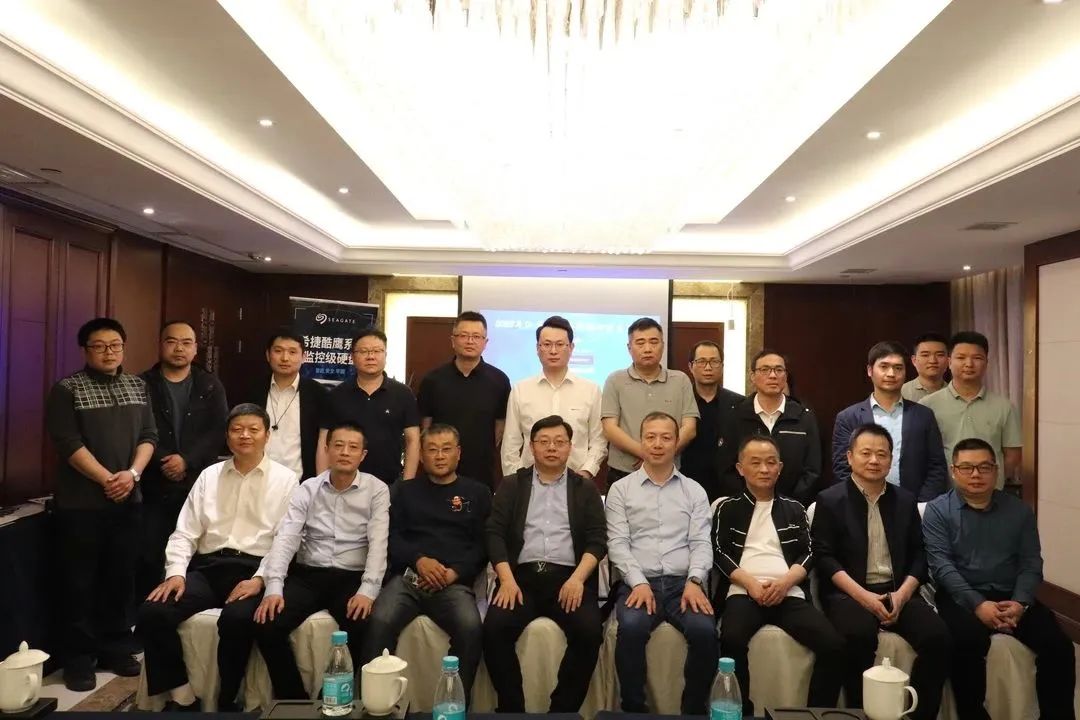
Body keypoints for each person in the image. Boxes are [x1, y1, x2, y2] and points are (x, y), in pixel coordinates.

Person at [137, 404, 297, 711]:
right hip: (209, 568)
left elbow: (285, 541)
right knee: (152, 611)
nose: (245, 435)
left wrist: (260, 579)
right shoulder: (209, 476)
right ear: (227, 436)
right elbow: (185, 532)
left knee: (236, 620)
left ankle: (226, 701)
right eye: (237, 430)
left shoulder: (286, 480)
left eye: (253, 429)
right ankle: (182, 695)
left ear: (267, 436)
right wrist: (176, 573)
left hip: (253, 569)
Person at [923, 438, 1075, 720]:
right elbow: (942, 567)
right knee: (967, 642)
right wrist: (978, 605)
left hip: (1010, 594)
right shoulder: (938, 510)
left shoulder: (1019, 511)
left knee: (1059, 648)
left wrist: (1020, 603)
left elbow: (1031, 563)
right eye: (967, 468)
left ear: (996, 470)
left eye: (984, 467)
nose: (976, 474)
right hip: (961, 596)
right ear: (953, 471)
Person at [45, 317, 157, 691]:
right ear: (85, 350)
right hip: (81, 506)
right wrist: (108, 479)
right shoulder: (67, 389)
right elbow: (68, 443)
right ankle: (78, 659)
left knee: (120, 579)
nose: (109, 352)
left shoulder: (137, 385)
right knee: (78, 584)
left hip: (128, 500)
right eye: (99, 346)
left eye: (115, 345)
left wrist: (132, 475)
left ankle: (115, 647)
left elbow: (149, 436)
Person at [813, 424, 949, 720]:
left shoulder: (905, 500)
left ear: (891, 459)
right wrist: (864, 598)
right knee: (858, 635)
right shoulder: (830, 500)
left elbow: (919, 554)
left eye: (882, 454)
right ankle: (859, 714)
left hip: (897, 590)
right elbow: (825, 559)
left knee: (938, 637)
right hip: (849, 593)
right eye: (866, 453)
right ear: (850, 457)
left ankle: (917, 714)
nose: (874, 460)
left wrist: (902, 595)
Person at [253, 422, 390, 699]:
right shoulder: (308, 488)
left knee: (364, 626)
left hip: (351, 577)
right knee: (266, 623)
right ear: (326, 450)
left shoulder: (376, 489)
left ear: (363, 455)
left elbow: (379, 543)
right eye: (338, 445)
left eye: (353, 447)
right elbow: (286, 537)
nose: (345, 452)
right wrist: (274, 586)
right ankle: (295, 700)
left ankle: (341, 701)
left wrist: (368, 590)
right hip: (309, 575)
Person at [713, 435, 843, 716]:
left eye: (771, 462)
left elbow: (809, 553)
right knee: (731, 639)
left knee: (834, 646)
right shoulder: (727, 507)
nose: (764, 469)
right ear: (740, 468)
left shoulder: (794, 508)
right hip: (743, 592)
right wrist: (750, 583)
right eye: (755, 463)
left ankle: (816, 712)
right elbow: (719, 552)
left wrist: (784, 584)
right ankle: (742, 712)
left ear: (780, 468)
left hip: (788, 592)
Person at [484, 415, 606, 713]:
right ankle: (512, 709)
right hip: (520, 579)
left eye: (559, 442)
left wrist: (577, 579)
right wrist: (506, 579)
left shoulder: (584, 488)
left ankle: (562, 711)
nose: (552, 448)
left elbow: (597, 541)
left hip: (568, 579)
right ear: (531, 446)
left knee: (590, 632)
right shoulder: (512, 485)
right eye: (544, 442)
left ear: (570, 447)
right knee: (494, 630)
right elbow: (494, 534)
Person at [361, 424, 491, 700]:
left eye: (446, 449)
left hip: (453, 584)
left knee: (470, 628)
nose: (439, 456)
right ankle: (373, 702)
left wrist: (455, 572)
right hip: (408, 579)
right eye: (432, 450)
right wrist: (419, 560)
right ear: (421, 455)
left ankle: (453, 704)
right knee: (379, 620)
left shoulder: (478, 493)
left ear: (458, 453)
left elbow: (482, 545)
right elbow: (392, 537)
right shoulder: (403, 491)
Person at [606, 412, 716, 714]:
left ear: (676, 442)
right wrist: (638, 582)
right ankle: (634, 710)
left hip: (684, 584)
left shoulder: (694, 490)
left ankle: (693, 710)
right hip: (639, 583)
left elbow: (701, 542)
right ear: (641, 441)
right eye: (650, 437)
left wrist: (695, 581)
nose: (657, 444)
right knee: (630, 628)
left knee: (705, 632)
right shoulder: (621, 490)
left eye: (666, 437)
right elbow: (617, 544)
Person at [138, 321, 228, 599]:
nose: (179, 348)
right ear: (160, 344)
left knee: (195, 553)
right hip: (153, 485)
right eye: (172, 341)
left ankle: (182, 607)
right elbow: (136, 431)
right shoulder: (142, 384)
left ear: (195, 348)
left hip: (196, 483)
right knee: (150, 554)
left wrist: (186, 460)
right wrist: (166, 460)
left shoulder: (209, 384)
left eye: (186, 343)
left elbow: (218, 430)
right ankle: (148, 611)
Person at [831, 341, 947, 501]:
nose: (891, 374)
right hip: (863, 505)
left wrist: (919, 504)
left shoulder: (923, 415)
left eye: (898, 368)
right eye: (884, 367)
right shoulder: (848, 417)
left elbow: (936, 466)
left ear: (905, 372)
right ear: (870, 370)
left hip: (914, 505)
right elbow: (842, 467)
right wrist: (862, 502)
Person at [501, 316, 607, 481]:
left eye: (560, 344)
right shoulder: (521, 390)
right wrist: (516, 481)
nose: (553, 351)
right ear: (537, 348)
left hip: (576, 481)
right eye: (547, 344)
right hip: (529, 482)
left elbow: (598, 440)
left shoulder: (590, 390)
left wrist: (586, 472)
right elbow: (510, 443)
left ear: (571, 347)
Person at [418, 311, 511, 488]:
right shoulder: (433, 380)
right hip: (440, 469)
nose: (470, 341)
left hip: (481, 469)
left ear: (485, 342)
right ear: (453, 340)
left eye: (476, 336)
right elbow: (426, 426)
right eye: (464, 336)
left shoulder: (499, 380)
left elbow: (500, 428)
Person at [601, 318, 698, 486]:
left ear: (663, 345)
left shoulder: (680, 380)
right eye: (640, 343)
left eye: (654, 342)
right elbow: (609, 429)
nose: (647, 348)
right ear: (629, 348)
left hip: (669, 474)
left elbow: (689, 429)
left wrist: (660, 456)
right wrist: (647, 454)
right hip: (623, 473)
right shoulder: (615, 380)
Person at [717, 349, 821, 505]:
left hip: (792, 508)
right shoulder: (735, 415)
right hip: (744, 506)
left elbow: (812, 470)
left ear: (786, 376)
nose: (773, 375)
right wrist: (749, 501)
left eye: (779, 370)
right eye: (765, 370)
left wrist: (789, 505)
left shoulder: (803, 417)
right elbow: (726, 468)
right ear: (752, 376)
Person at [920, 331, 1021, 488]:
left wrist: (990, 481)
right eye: (961, 358)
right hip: (943, 494)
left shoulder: (1004, 407)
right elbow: (920, 454)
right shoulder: (927, 405)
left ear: (986, 363)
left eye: (977, 358)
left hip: (989, 494)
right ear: (949, 362)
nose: (969, 364)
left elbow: (1012, 456)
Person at [321, 328, 420, 483]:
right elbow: (323, 442)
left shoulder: (403, 394)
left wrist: (407, 484)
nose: (371, 356)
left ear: (385, 355)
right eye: (364, 351)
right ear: (352, 357)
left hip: (390, 483)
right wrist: (321, 483)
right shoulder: (336, 395)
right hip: (343, 482)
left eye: (377, 351)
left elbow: (413, 440)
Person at [239, 329, 328, 482]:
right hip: (255, 479)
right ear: (268, 355)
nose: (285, 358)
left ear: (304, 357)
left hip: (301, 484)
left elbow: (324, 443)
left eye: (292, 352)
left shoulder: (318, 394)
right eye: (278, 351)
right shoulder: (252, 390)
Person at [681, 340, 744, 501]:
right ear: (690, 366)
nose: (708, 367)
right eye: (701, 361)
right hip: (685, 485)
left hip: (727, 489)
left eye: (714, 362)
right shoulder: (679, 401)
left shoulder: (739, 404)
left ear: (722, 366)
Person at [901, 333, 949, 402]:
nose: (933, 361)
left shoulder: (956, 394)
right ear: (914, 360)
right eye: (925, 355)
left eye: (939, 355)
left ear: (948, 360)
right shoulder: (901, 393)